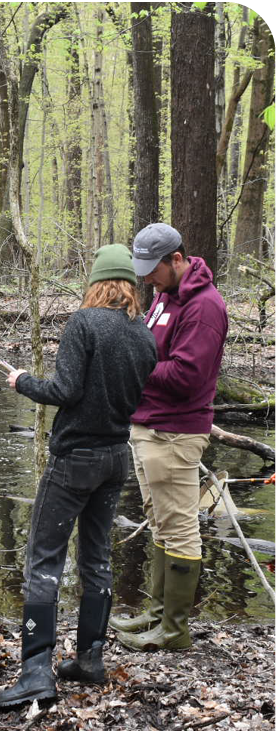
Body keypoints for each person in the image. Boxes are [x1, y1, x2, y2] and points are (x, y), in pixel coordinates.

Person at [0, 244, 157, 711]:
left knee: (42, 561)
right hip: (114, 458)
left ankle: (36, 673)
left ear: (97, 282)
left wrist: (22, 381)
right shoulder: (144, 337)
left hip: (75, 460)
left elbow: (64, 390)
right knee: (96, 558)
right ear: (131, 285)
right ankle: (90, 658)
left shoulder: (84, 324)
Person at [112, 223, 228, 652]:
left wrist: (132, 366)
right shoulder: (165, 296)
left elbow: (186, 376)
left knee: (179, 527)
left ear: (177, 260)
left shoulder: (204, 307)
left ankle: (175, 629)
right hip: (148, 424)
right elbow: (151, 346)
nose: (146, 279)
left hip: (175, 432)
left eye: (152, 270)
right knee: (160, 519)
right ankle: (158, 613)